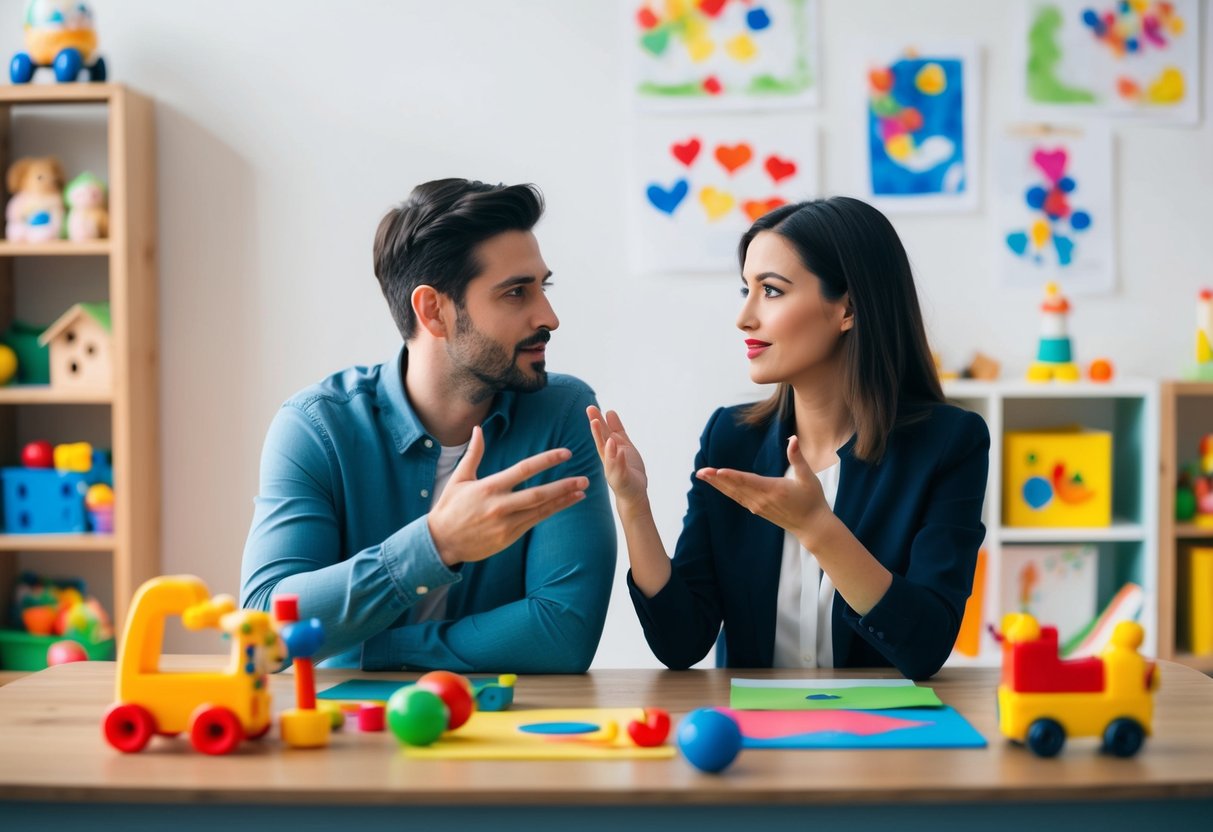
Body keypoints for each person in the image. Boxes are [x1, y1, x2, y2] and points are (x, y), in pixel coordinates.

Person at [589, 197, 988, 679]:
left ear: (848, 308)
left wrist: (819, 529)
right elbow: (681, 641)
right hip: (756, 739)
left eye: (772, 291)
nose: (745, 317)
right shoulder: (729, 439)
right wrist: (634, 506)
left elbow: (924, 646)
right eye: (746, 290)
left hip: (882, 740)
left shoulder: (950, 444)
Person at [241, 178, 615, 672]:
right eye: (516, 293)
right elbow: (264, 628)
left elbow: (564, 633)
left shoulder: (562, 413)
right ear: (433, 311)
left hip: (508, 730)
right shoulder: (316, 428)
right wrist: (436, 545)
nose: (548, 315)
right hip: (351, 734)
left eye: (541, 287)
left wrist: (374, 650)